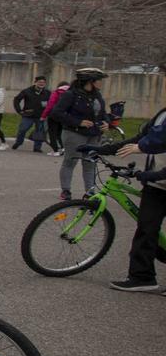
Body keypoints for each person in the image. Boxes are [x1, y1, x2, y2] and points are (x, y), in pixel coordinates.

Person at [110, 103, 166, 293]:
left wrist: (154, 173)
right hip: (156, 184)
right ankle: (142, 277)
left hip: (158, 177)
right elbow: (142, 138)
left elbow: (156, 141)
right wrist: (103, 149)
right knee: (146, 229)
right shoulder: (163, 113)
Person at [51, 68, 111, 200]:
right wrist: (78, 122)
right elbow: (56, 113)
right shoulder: (71, 94)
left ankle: (89, 192)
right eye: (99, 80)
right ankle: (66, 190)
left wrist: (107, 122)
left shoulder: (97, 95)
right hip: (74, 133)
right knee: (70, 161)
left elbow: (102, 113)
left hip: (94, 134)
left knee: (90, 163)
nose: (101, 83)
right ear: (90, 81)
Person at [11, 75, 51, 152]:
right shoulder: (27, 91)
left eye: (43, 82)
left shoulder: (48, 93)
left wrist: (48, 113)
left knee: (39, 131)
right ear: (35, 82)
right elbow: (16, 100)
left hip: (41, 116)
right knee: (22, 129)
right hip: (28, 115)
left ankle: (37, 148)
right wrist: (19, 110)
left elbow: (51, 103)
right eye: (39, 82)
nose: (41, 84)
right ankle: (18, 142)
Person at [44, 79, 71, 156]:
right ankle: (63, 148)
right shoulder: (71, 94)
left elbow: (50, 105)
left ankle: (55, 150)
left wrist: (44, 115)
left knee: (52, 133)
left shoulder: (56, 93)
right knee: (60, 133)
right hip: (64, 116)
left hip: (53, 115)